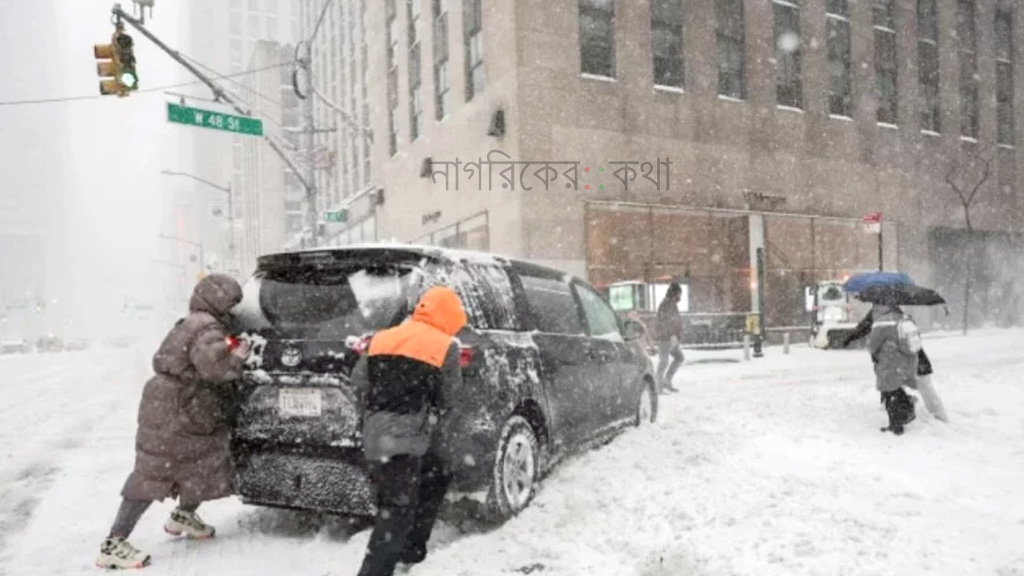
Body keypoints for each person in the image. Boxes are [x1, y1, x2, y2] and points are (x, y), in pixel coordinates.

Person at [96, 274, 251, 570]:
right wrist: (238, 358)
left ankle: (183, 516)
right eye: (230, 302)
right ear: (217, 299)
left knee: (204, 463)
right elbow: (214, 367)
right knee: (154, 474)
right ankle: (113, 543)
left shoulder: (197, 321)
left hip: (180, 406)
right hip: (178, 409)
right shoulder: (205, 326)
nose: (233, 309)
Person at [351, 286, 467, 576]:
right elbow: (449, 399)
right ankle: (377, 570)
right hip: (409, 438)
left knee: (423, 483)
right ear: (450, 316)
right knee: (397, 512)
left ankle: (410, 553)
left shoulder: (381, 338)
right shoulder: (445, 346)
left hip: (376, 434)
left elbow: (359, 380)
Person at [843, 310, 948, 422]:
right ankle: (935, 414)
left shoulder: (882, 317)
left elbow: (869, 336)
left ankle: (910, 409)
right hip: (916, 358)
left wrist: (848, 338)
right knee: (921, 386)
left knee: (897, 386)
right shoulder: (903, 315)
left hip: (900, 362)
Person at [864, 303, 920, 435]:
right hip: (907, 358)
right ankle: (905, 409)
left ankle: (897, 422)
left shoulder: (882, 323)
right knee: (894, 389)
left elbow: (872, 345)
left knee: (890, 392)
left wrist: (871, 345)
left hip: (890, 360)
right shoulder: (905, 318)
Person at [655, 283, 684, 394]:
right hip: (665, 338)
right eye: (679, 293)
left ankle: (666, 381)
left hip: (670, 338)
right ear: (675, 293)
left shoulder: (670, 303)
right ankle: (658, 386)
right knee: (664, 362)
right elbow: (665, 322)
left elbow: (674, 321)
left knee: (679, 357)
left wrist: (676, 335)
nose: (680, 296)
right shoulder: (666, 304)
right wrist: (671, 334)